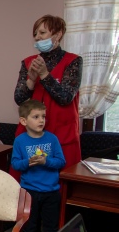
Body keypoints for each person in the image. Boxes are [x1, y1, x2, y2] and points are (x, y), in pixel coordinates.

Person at [14, 14, 82, 168]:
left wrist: (44, 75)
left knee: (62, 178)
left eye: (42, 32)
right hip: (31, 134)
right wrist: (31, 81)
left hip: (61, 133)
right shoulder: (28, 62)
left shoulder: (73, 61)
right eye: (35, 34)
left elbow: (66, 97)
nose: (37, 37)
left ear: (58, 35)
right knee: (28, 177)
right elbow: (19, 99)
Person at [11, 99, 66, 232]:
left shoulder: (52, 138)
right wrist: (28, 162)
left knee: (51, 228)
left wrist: (45, 161)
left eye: (43, 116)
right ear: (24, 121)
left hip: (51, 192)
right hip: (29, 192)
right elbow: (15, 164)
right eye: (36, 117)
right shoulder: (20, 141)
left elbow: (61, 162)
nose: (41, 120)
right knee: (29, 228)